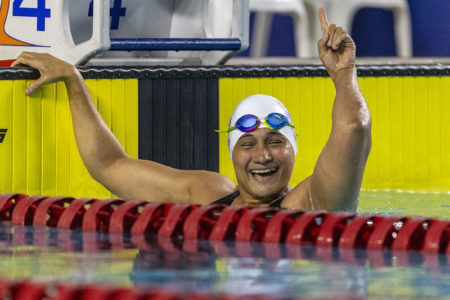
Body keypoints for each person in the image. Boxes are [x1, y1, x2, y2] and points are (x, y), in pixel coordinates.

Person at [12, 8, 371, 211]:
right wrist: (74, 82)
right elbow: (110, 166)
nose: (262, 155)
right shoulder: (205, 193)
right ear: (232, 154)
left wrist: (344, 72)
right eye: (247, 144)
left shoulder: (311, 202)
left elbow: (353, 128)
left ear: (294, 150)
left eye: (275, 141)